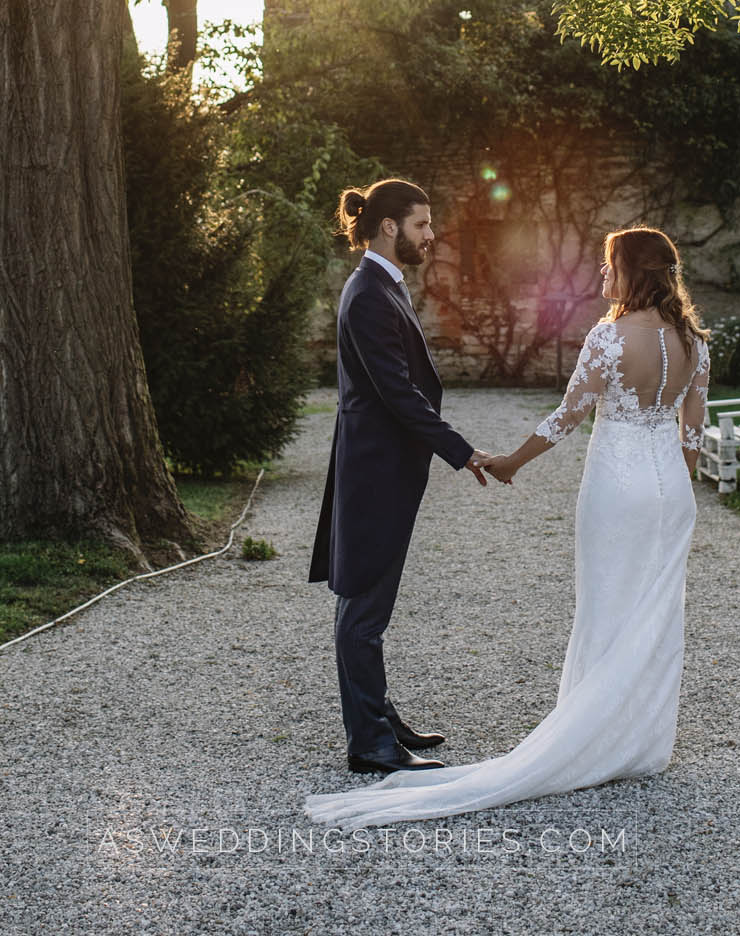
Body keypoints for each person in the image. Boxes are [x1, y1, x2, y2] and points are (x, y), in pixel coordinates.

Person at [303, 224, 711, 827]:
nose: (601, 276)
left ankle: (589, 735)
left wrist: (508, 463)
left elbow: (566, 417)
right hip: (671, 493)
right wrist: (677, 484)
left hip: (617, 489)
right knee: (655, 612)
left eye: (609, 266)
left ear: (634, 273)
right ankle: (640, 742)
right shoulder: (696, 343)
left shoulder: (609, 338)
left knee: (606, 604)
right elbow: (693, 430)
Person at [308, 178, 492, 774]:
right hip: (375, 472)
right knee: (362, 609)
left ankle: (381, 720)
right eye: (422, 224)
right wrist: (463, 453)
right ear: (389, 226)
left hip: (384, 469)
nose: (431, 235)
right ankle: (371, 744)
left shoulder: (382, 285)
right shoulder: (366, 292)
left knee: (367, 605)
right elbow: (397, 395)